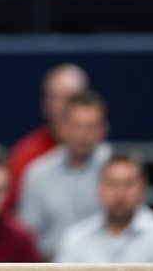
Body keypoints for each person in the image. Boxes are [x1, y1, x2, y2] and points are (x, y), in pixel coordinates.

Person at [18, 89, 113, 260]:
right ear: (64, 127)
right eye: (77, 126)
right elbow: (28, 238)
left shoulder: (119, 173)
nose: (84, 135)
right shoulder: (37, 174)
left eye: (91, 126)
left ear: (103, 129)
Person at [4, 64, 89, 213]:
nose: (62, 107)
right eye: (55, 98)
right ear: (45, 103)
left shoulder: (106, 162)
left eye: (71, 99)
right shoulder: (25, 155)